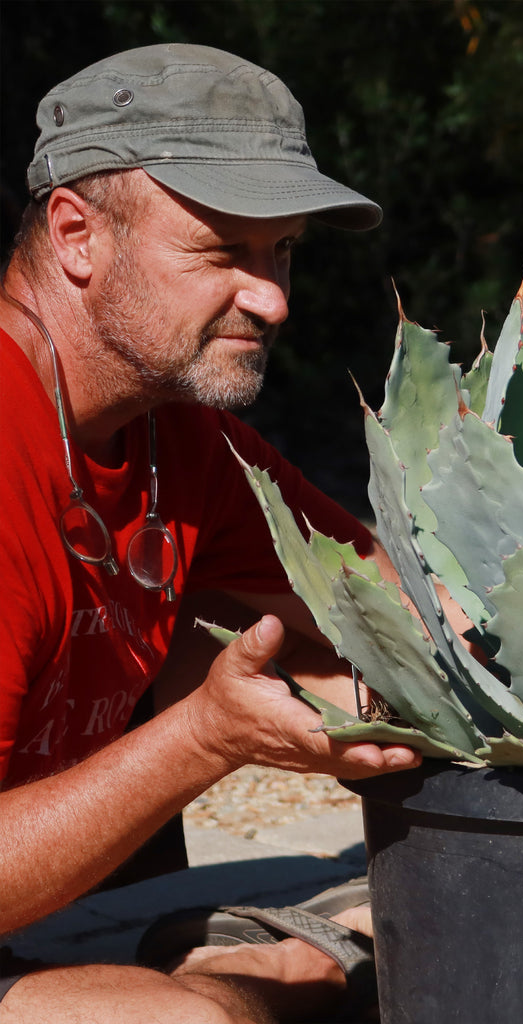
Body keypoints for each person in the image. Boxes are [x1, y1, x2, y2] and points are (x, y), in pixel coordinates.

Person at [0, 43, 420, 1023]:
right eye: (223, 251)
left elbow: (400, 623)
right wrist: (207, 734)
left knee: (388, 938)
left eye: (281, 253)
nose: (271, 298)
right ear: (76, 235)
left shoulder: (178, 441)